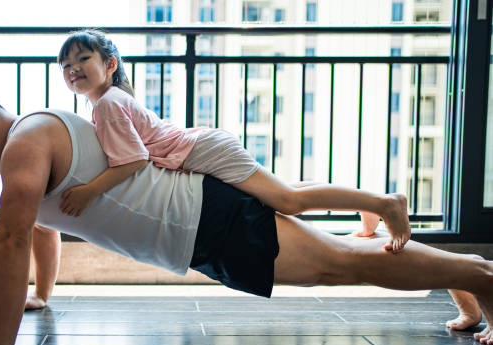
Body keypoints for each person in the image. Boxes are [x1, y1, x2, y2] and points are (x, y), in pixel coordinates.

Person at [0, 81, 493, 345]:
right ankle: (468, 280)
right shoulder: (31, 150)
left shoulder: (25, 139)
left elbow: (11, 238)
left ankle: (479, 277)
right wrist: (41, 295)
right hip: (198, 228)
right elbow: (41, 232)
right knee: (342, 259)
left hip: (207, 218)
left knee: (339, 264)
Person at [57, 30, 411, 254]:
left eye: (83, 58)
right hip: (200, 146)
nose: (73, 68)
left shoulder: (107, 104)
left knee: (286, 200)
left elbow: (132, 161)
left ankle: (385, 203)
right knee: (282, 190)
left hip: (202, 151)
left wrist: (90, 191)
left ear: (109, 64)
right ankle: (366, 202)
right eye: (66, 64)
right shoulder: (110, 100)